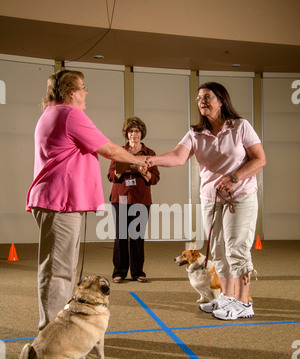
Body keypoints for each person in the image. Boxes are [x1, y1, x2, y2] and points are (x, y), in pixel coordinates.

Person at [26, 70, 148, 331]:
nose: (86, 92)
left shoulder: (53, 112)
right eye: (83, 88)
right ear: (71, 92)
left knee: (65, 271)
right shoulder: (69, 114)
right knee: (58, 273)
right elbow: (108, 149)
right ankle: (51, 334)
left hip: (60, 202)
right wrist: (141, 160)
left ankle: (60, 329)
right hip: (58, 202)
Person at [147, 82, 266, 321]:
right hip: (211, 200)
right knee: (219, 251)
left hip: (240, 197)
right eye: (199, 98)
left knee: (237, 249)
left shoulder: (240, 127)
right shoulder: (196, 133)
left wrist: (235, 177)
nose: (202, 101)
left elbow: (260, 159)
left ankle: (244, 303)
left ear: (221, 100)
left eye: (208, 97)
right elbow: (178, 156)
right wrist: (153, 160)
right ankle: (228, 297)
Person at [107, 117, 160, 283]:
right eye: (130, 131)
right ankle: (119, 272)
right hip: (120, 197)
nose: (133, 134)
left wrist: (141, 170)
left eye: (136, 131)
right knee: (121, 236)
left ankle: (138, 272)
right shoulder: (118, 151)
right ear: (126, 134)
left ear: (141, 133)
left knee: (137, 236)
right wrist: (122, 169)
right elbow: (110, 176)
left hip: (141, 199)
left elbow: (155, 178)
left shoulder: (149, 153)